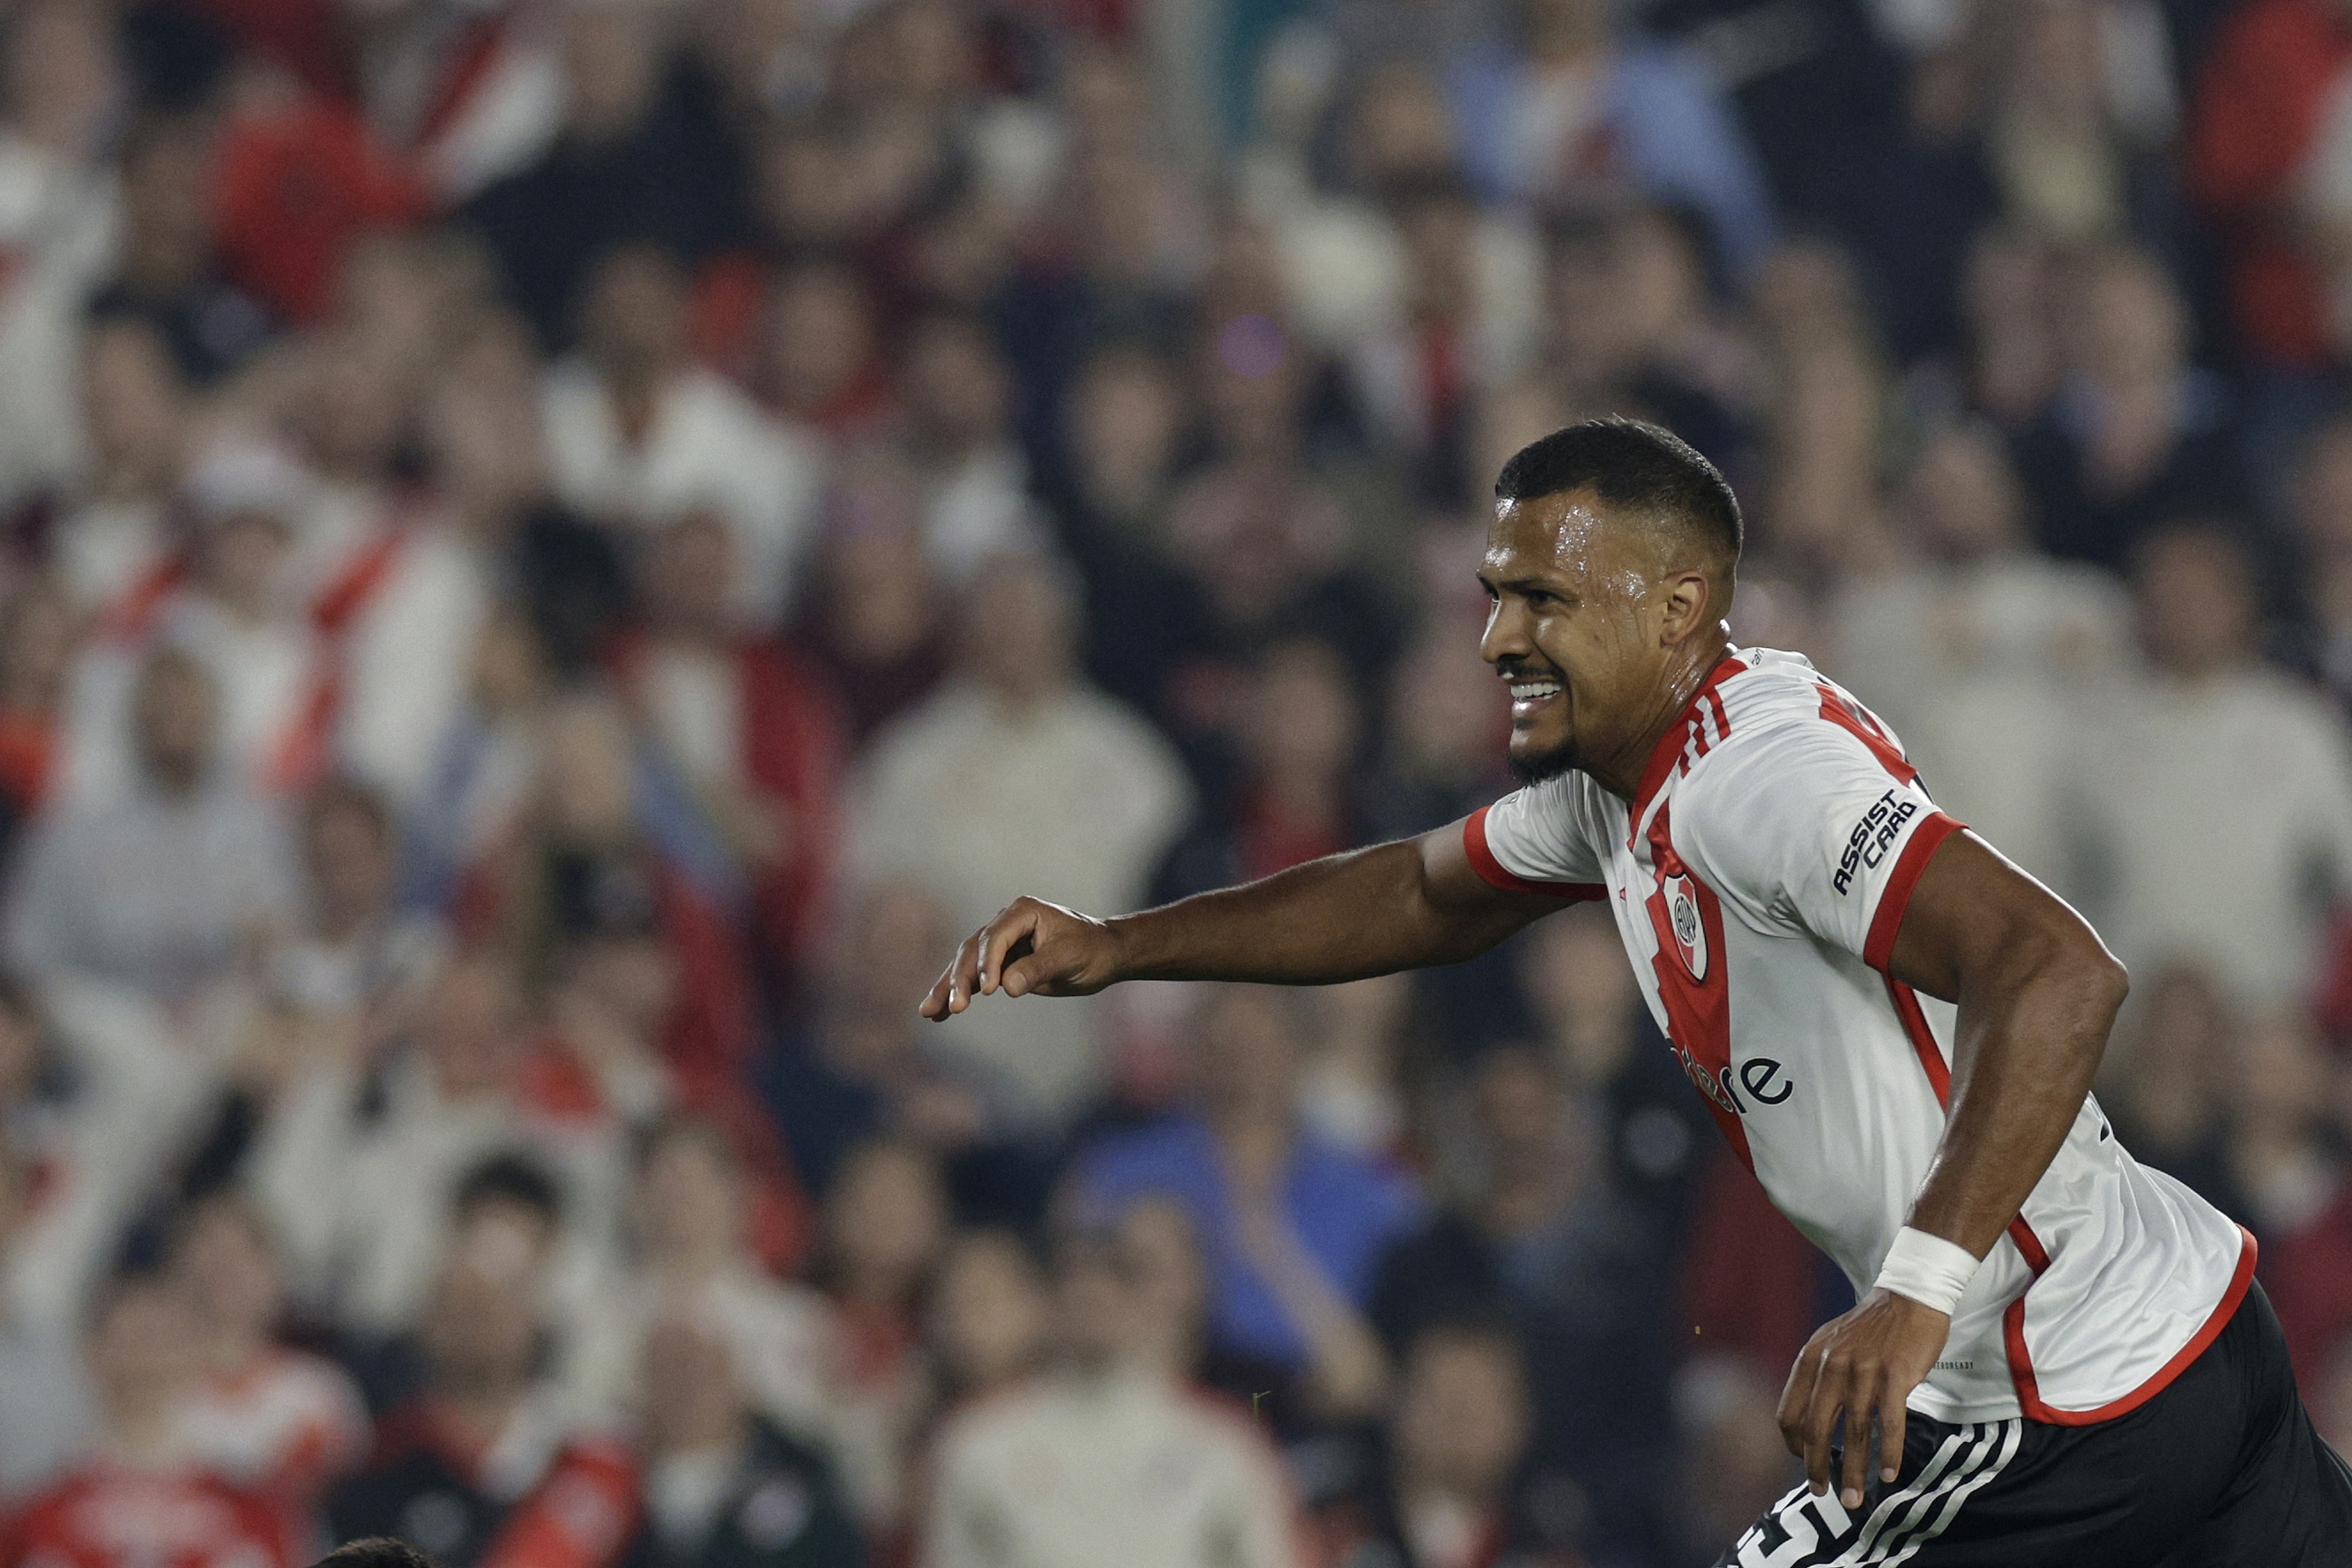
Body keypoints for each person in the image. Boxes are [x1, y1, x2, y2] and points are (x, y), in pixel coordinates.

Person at [924, 418, 2352, 1564]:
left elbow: (2059, 972)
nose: (1498, 641)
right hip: (2190, 1329)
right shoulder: (1627, 789)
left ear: (1676, 611)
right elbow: (1422, 892)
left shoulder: (1758, 782)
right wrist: (1125, 945)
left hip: (2057, 1395)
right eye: (1494, 598)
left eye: (1542, 599)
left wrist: (1914, 1298)